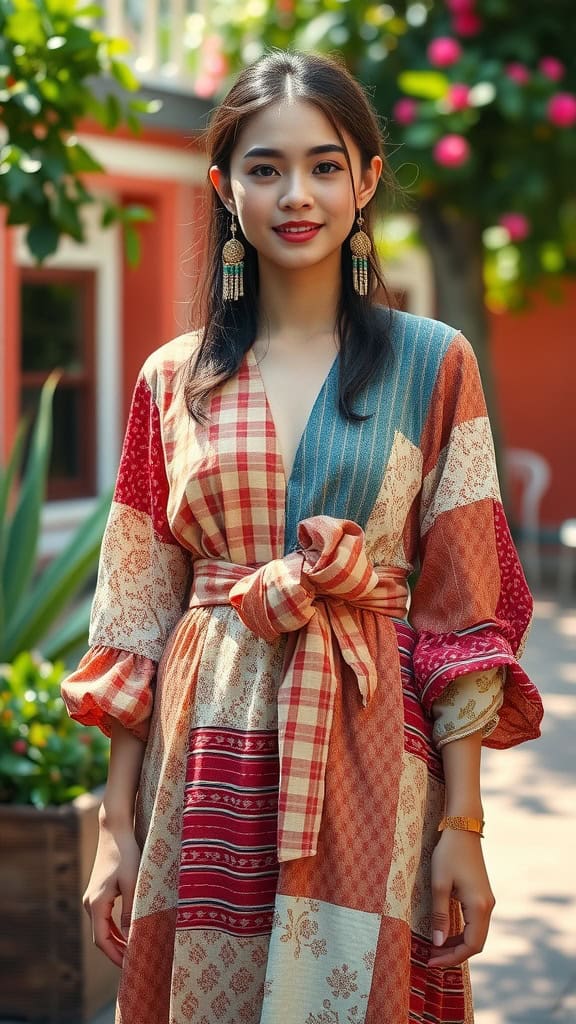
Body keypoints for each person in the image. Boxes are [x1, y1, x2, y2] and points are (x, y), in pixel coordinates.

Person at [62, 50, 543, 1024]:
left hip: (374, 751)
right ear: (223, 184)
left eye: (326, 166)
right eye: (265, 167)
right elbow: (134, 614)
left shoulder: (433, 364)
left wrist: (466, 822)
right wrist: (114, 826)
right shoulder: (173, 379)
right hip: (201, 756)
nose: (298, 194)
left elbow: (463, 607)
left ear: (367, 180)